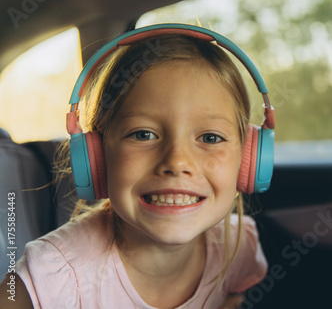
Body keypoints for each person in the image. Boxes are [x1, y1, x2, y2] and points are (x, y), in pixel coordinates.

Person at [0, 24, 274, 308]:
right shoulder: (53, 276)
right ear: (97, 156)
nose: (177, 161)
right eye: (143, 134)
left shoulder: (237, 249)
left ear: (248, 161)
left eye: (210, 137)